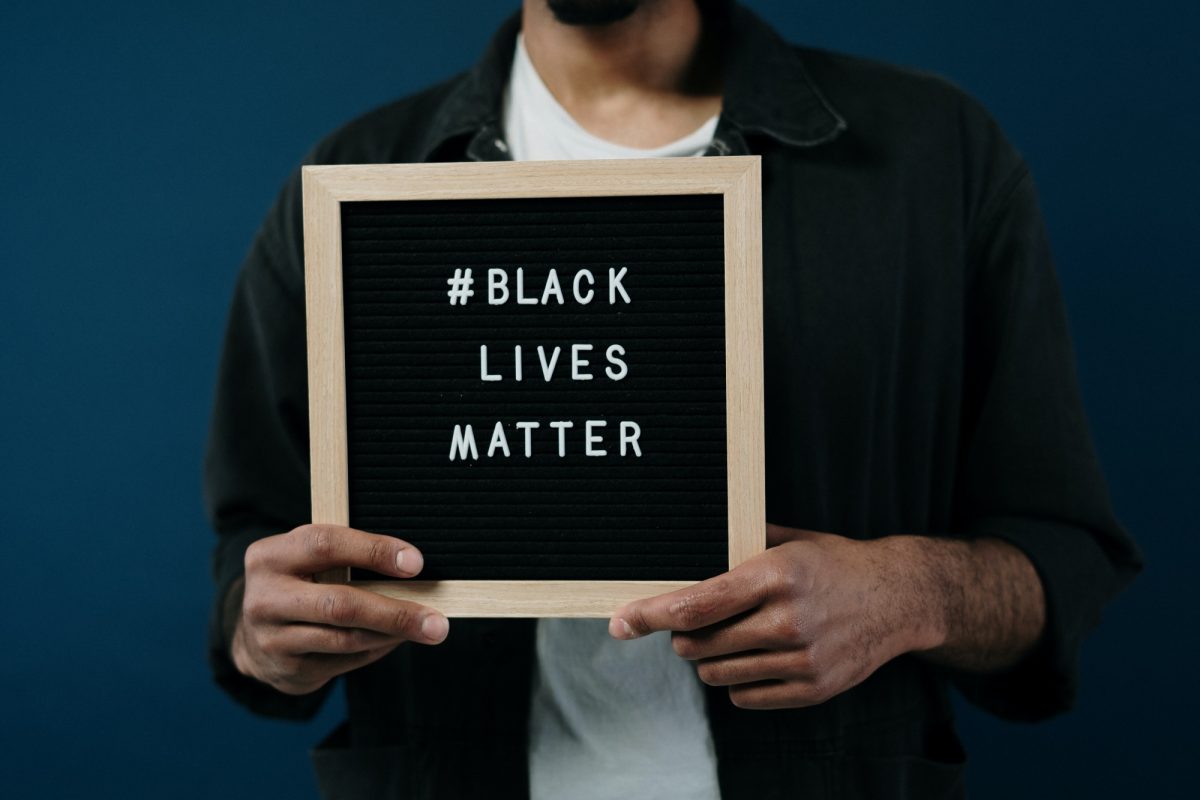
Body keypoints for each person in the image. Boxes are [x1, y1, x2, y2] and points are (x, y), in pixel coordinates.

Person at [205, 1, 1142, 797]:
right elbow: (254, 572)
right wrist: (265, 629)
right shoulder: (358, 186)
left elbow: (1062, 560)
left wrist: (910, 594)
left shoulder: (934, 158)